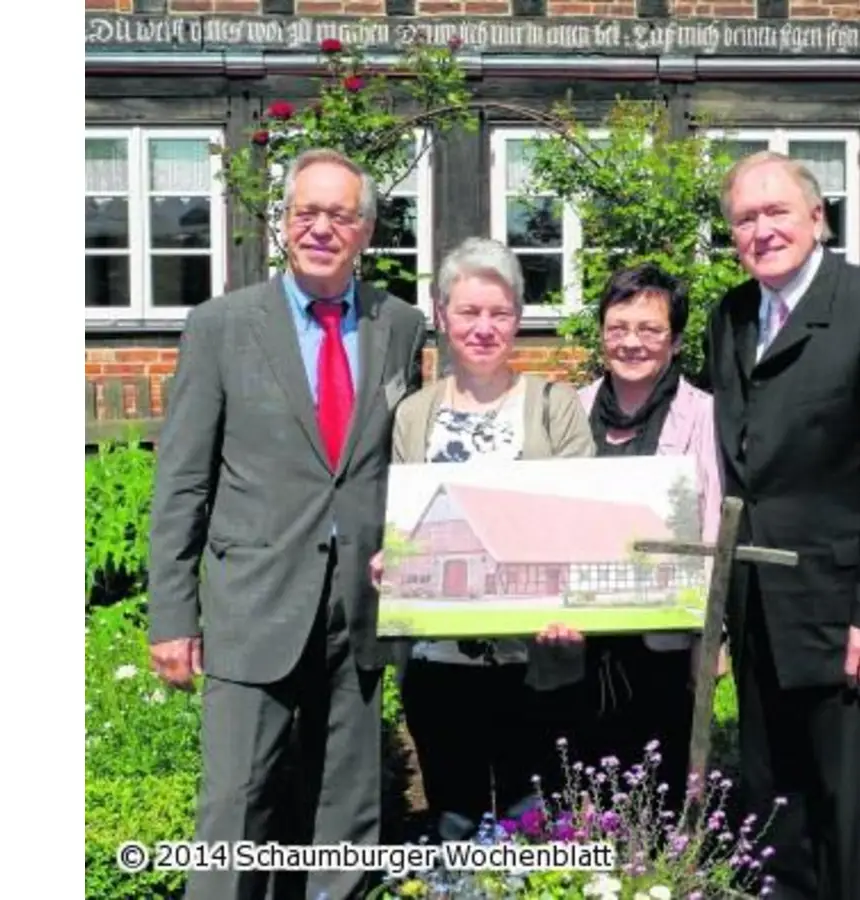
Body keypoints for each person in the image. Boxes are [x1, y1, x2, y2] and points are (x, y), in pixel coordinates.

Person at [146, 148, 427, 900]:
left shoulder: (400, 326)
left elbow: (405, 462)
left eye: (339, 215)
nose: (321, 228)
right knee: (235, 807)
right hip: (253, 601)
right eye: (306, 212)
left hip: (360, 606)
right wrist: (172, 615)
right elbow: (181, 481)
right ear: (283, 222)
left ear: (366, 229)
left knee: (349, 808)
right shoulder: (222, 326)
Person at [703, 151, 860, 900]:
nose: (762, 230)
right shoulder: (732, 318)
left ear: (819, 217)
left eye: (778, 212)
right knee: (781, 835)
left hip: (852, 629)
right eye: (745, 218)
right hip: (765, 626)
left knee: (858, 837)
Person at [386, 236, 596, 842]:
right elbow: (407, 523)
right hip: (437, 661)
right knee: (453, 815)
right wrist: (392, 560)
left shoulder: (554, 406)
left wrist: (573, 606)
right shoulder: (414, 413)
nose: (484, 327)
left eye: (499, 313)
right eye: (469, 311)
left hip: (534, 656)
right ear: (442, 315)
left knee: (532, 819)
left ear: (518, 321)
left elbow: (579, 522)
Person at [569, 262, 723, 815]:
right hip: (578, 636)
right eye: (618, 327)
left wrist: (712, 635)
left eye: (649, 329)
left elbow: (711, 527)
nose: (631, 342)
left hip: (663, 638)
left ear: (676, 340)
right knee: (576, 778)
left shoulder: (704, 416)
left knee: (659, 783)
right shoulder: (570, 409)